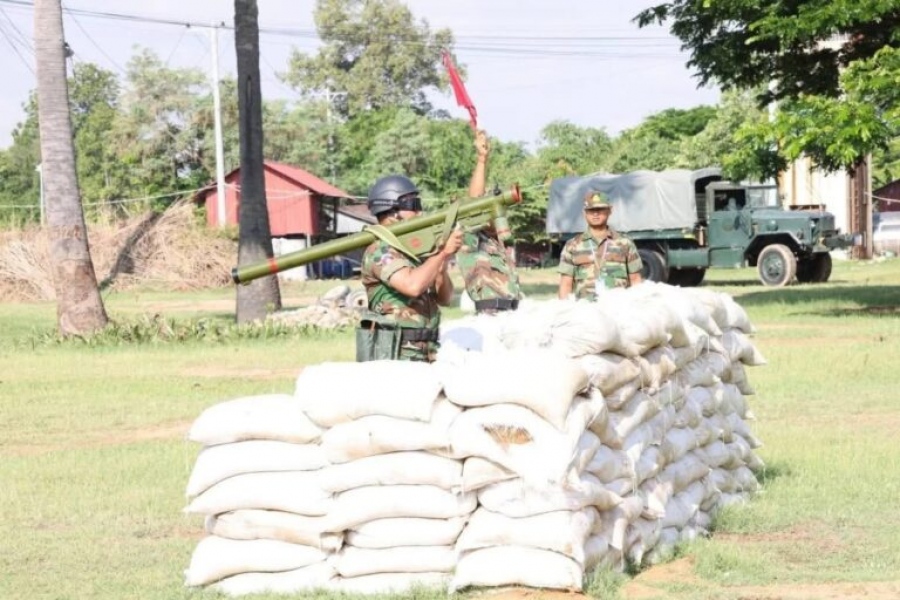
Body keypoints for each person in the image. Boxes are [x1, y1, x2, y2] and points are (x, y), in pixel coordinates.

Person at [358, 174, 464, 362]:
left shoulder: (413, 250)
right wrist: (441, 254)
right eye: (413, 205)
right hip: (397, 355)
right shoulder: (380, 251)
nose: (419, 212)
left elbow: (445, 298)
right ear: (392, 210)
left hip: (427, 352)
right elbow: (412, 285)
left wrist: (442, 262)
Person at [454, 128, 523, 315]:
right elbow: (476, 201)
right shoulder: (472, 239)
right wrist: (482, 159)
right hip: (489, 313)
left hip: (513, 312)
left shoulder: (501, 243)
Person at [558, 191, 643, 301]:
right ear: (584, 213)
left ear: (610, 211)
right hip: (585, 311)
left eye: (600, 210)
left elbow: (636, 280)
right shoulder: (572, 245)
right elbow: (565, 284)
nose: (595, 214)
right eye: (591, 210)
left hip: (619, 310)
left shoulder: (625, 243)